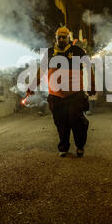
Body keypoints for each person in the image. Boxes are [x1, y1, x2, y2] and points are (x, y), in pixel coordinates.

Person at [27, 26, 95, 158]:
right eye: (59, 37)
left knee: (77, 121)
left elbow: (88, 67)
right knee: (60, 122)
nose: (62, 39)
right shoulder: (49, 53)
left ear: (69, 38)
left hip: (75, 95)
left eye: (64, 36)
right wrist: (32, 85)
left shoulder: (78, 51)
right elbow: (41, 70)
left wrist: (92, 85)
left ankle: (80, 146)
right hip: (56, 96)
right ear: (56, 38)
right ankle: (63, 147)